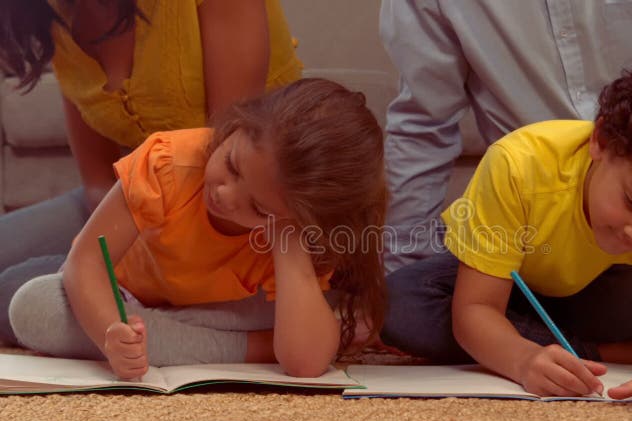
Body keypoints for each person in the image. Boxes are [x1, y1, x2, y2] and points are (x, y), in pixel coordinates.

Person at [380, 0, 632, 363]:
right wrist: (396, 274)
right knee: (404, 303)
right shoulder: (520, 167)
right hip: (592, 259)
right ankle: (619, 349)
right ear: (600, 139)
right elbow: (423, 128)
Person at [8, 78, 388, 379]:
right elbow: (87, 261)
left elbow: (304, 363)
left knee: (316, 320)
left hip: (225, 308)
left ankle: (180, 337)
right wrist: (112, 334)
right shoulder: (169, 164)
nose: (224, 194)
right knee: (33, 305)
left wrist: (288, 241)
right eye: (233, 165)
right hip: (128, 297)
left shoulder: (291, 226)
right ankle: (253, 347)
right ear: (239, 126)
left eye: (256, 206)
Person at [0, 0, 303, 345]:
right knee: (13, 290)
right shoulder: (50, 11)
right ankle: (176, 326)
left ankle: (207, 340)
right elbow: (99, 183)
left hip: (233, 215)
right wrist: (110, 266)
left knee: (23, 294)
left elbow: (231, 156)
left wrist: (137, 274)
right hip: (136, 199)